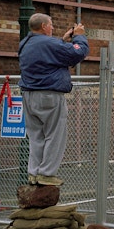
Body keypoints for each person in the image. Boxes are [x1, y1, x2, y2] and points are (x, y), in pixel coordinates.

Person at [18, 13, 89, 186]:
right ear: (43, 26)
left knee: (36, 137)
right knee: (55, 135)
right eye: (50, 24)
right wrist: (79, 36)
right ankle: (47, 174)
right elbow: (78, 53)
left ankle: (34, 173)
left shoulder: (26, 43)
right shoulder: (50, 43)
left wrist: (62, 40)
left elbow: (49, 53)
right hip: (49, 95)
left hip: (29, 95)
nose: (53, 27)